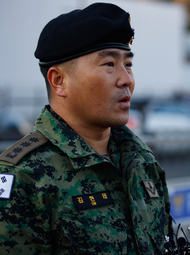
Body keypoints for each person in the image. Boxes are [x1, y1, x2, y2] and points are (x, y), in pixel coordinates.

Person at [0, 3, 172, 254]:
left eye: (128, 64)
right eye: (109, 65)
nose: (126, 79)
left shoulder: (141, 161)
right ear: (59, 81)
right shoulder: (24, 176)